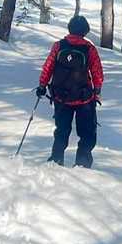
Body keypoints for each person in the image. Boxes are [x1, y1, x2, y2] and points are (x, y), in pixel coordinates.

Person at [37, 15, 103, 167]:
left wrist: (42, 85)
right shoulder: (89, 48)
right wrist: (97, 90)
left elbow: (48, 66)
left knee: (61, 130)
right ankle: (82, 164)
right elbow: (97, 71)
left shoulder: (59, 46)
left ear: (70, 28)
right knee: (87, 133)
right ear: (85, 31)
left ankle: (56, 160)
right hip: (84, 98)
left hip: (61, 97)